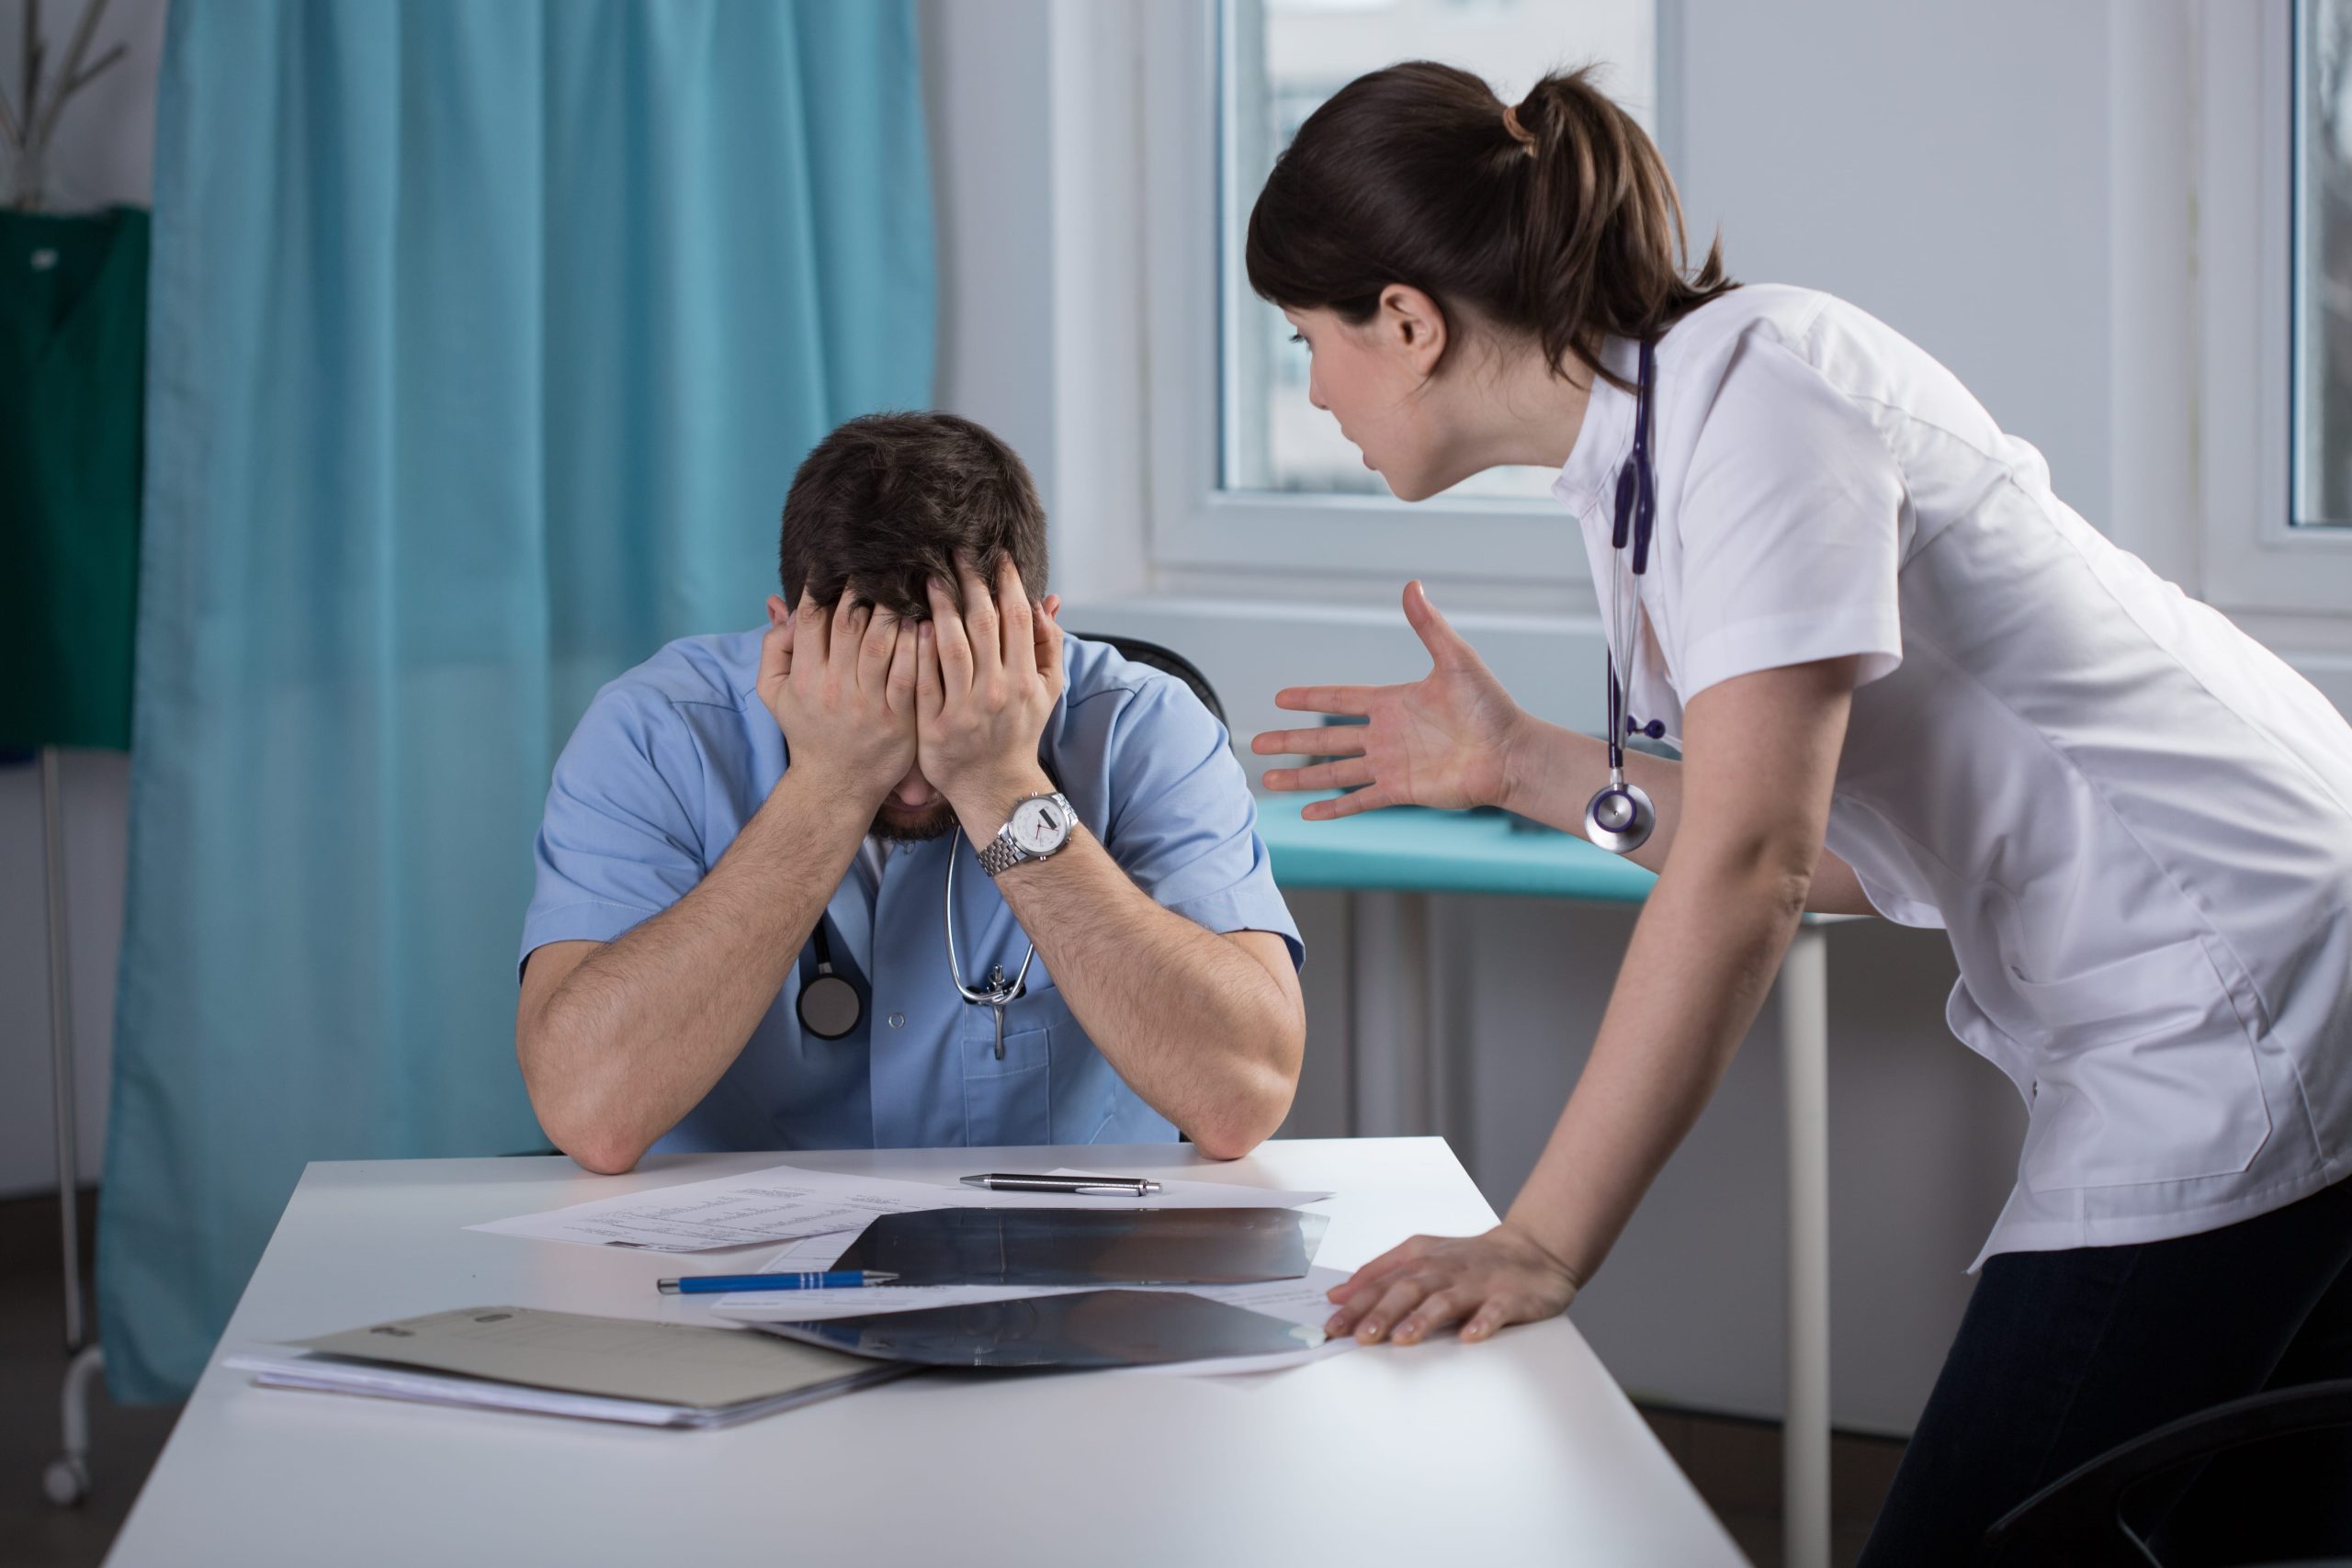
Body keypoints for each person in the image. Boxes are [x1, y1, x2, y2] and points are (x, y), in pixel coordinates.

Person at [1245, 62, 2352, 1562]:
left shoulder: (1762, 390)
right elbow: (1827, 847)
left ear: (1410, 321)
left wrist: (1543, 1236)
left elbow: (1755, 864)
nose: (1313, 388)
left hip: (2243, 980)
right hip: (2234, 969)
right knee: (2216, 1532)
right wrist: (1521, 766)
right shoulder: (1641, 453)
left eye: (1311, 340)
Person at [515, 412, 1305, 1176]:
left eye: (954, 693)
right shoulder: (655, 735)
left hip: (1072, 1265)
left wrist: (1002, 784)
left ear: (1038, 639)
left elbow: (1242, 1099)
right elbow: (590, 1113)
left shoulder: (1145, 728)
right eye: (878, 700)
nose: (924, 772)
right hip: (728, 1278)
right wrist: (829, 785)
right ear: (786, 637)